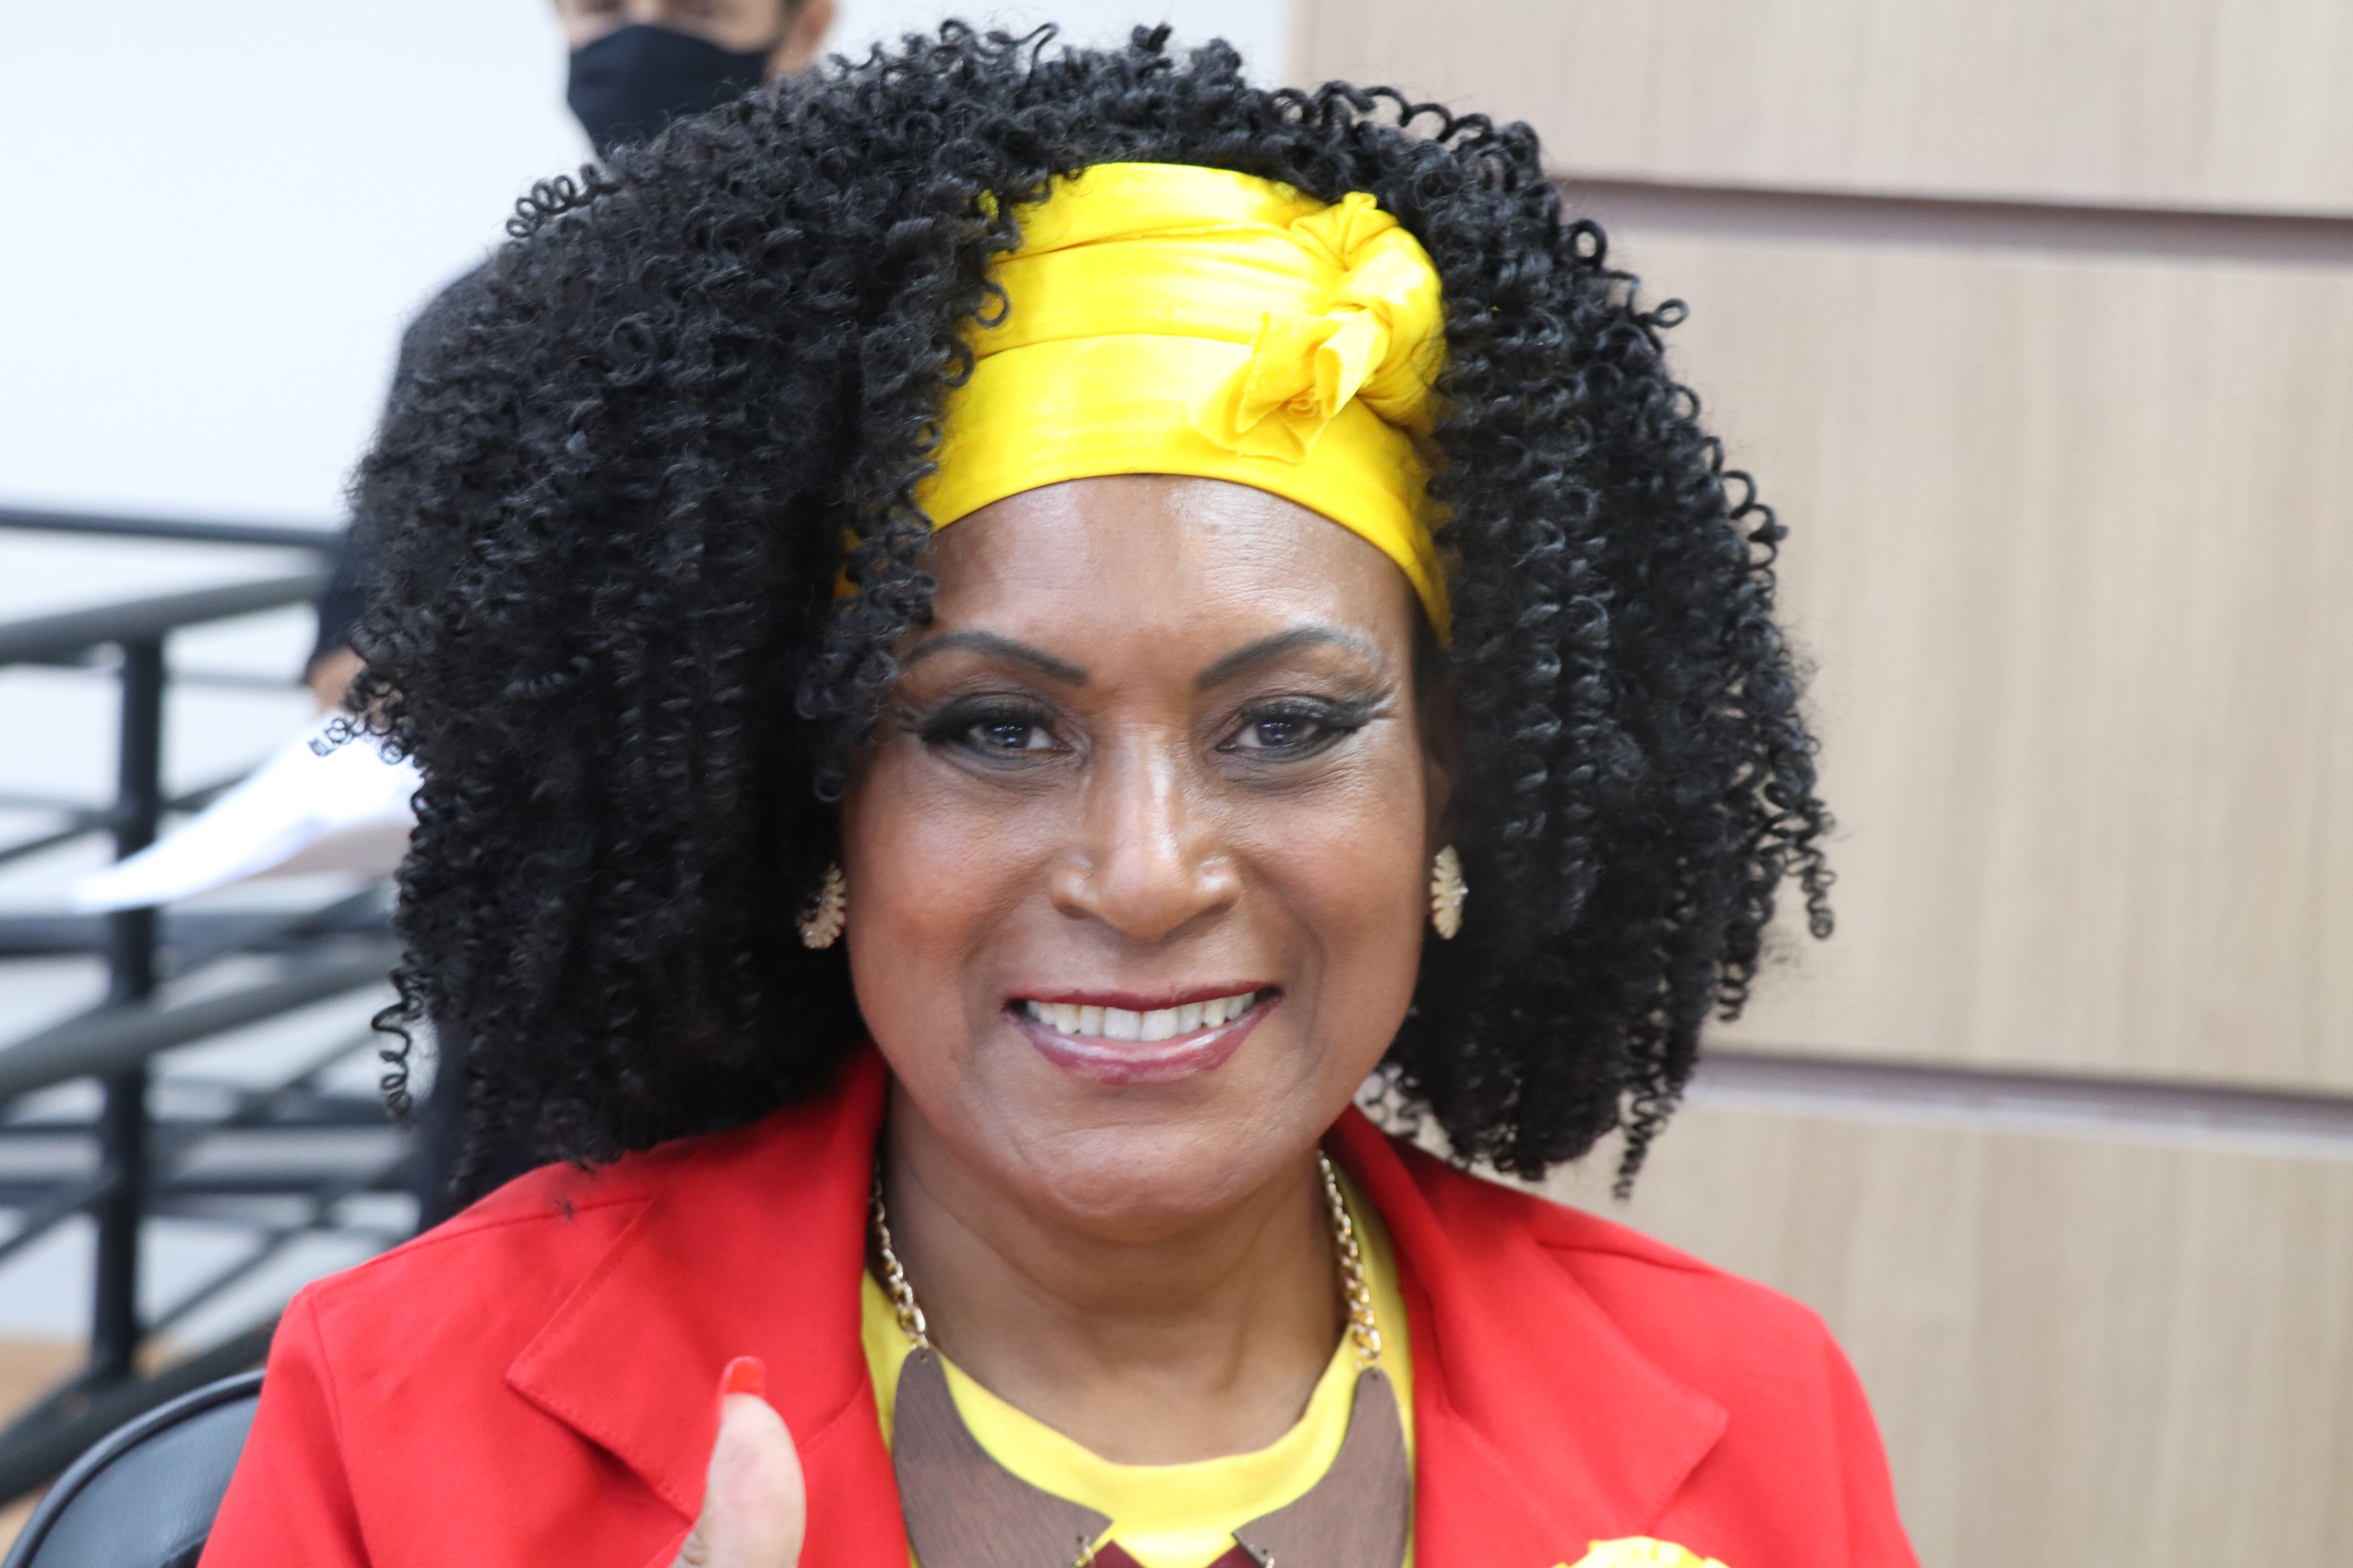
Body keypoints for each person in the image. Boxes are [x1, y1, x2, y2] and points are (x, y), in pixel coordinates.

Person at [203, 24, 1906, 1568]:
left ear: (1447, 781)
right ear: (821, 798)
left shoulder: (1758, 1418)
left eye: (1285, 726)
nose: (1147, 875)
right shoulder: (404, 1415)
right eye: (996, 730)